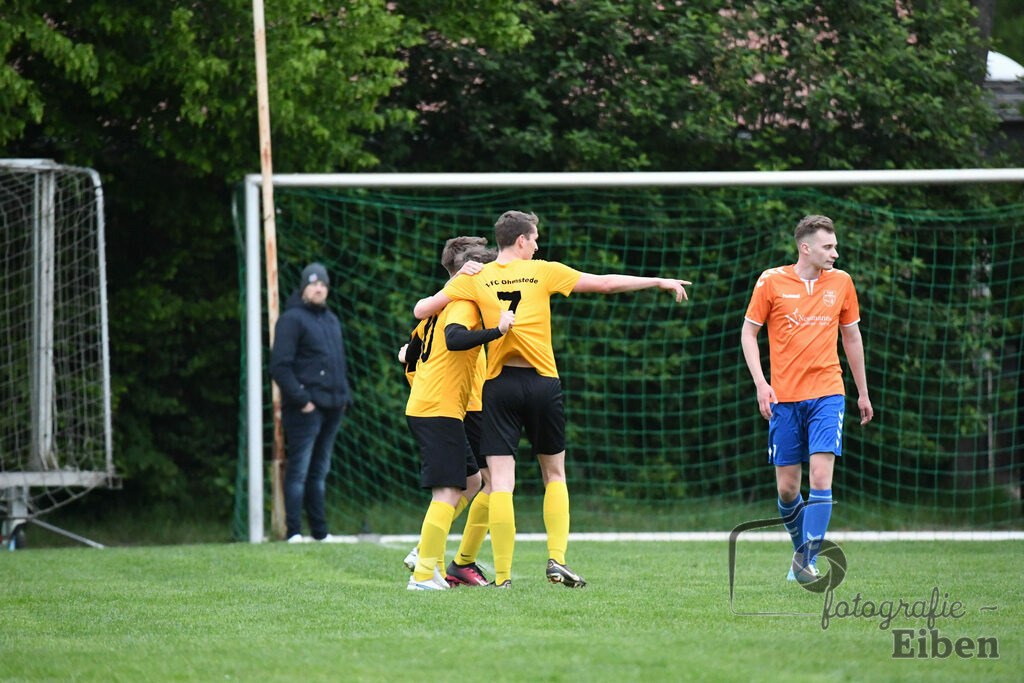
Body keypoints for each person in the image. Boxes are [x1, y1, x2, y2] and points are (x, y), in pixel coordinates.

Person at [414, 210, 690, 588]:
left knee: (501, 483)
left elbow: (422, 310)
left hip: (499, 385)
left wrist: (460, 278)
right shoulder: (544, 270)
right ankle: (557, 559)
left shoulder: (478, 277)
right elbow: (606, 284)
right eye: (536, 237)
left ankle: (504, 579)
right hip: (543, 383)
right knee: (554, 474)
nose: (538, 244)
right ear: (522, 241)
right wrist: (657, 280)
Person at [740, 215, 873, 582]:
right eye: (828, 247)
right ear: (806, 248)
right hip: (783, 398)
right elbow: (748, 334)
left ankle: (806, 561)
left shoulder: (842, 283)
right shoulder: (771, 281)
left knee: (820, 476)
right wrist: (761, 384)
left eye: (834, 246)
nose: (835, 253)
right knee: (786, 488)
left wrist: (861, 392)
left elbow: (852, 339)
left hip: (829, 393)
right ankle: (801, 551)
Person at [404, 238, 515, 591]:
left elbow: (413, 349)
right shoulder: (462, 305)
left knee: (470, 482)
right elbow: (453, 339)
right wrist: (496, 332)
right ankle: (424, 572)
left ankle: (431, 562)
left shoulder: (441, 305)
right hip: (441, 407)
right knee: (450, 491)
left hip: (440, 405)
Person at [269, 262, 353, 543]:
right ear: (304, 287)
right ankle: (294, 532)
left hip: (333, 407)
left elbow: (338, 362)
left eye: (323, 284)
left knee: (319, 472)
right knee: (299, 472)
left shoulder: (330, 319)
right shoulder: (292, 319)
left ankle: (320, 533)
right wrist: (303, 400)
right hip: (305, 410)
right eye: (314, 283)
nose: (319, 288)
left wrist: (344, 398)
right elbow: (279, 366)